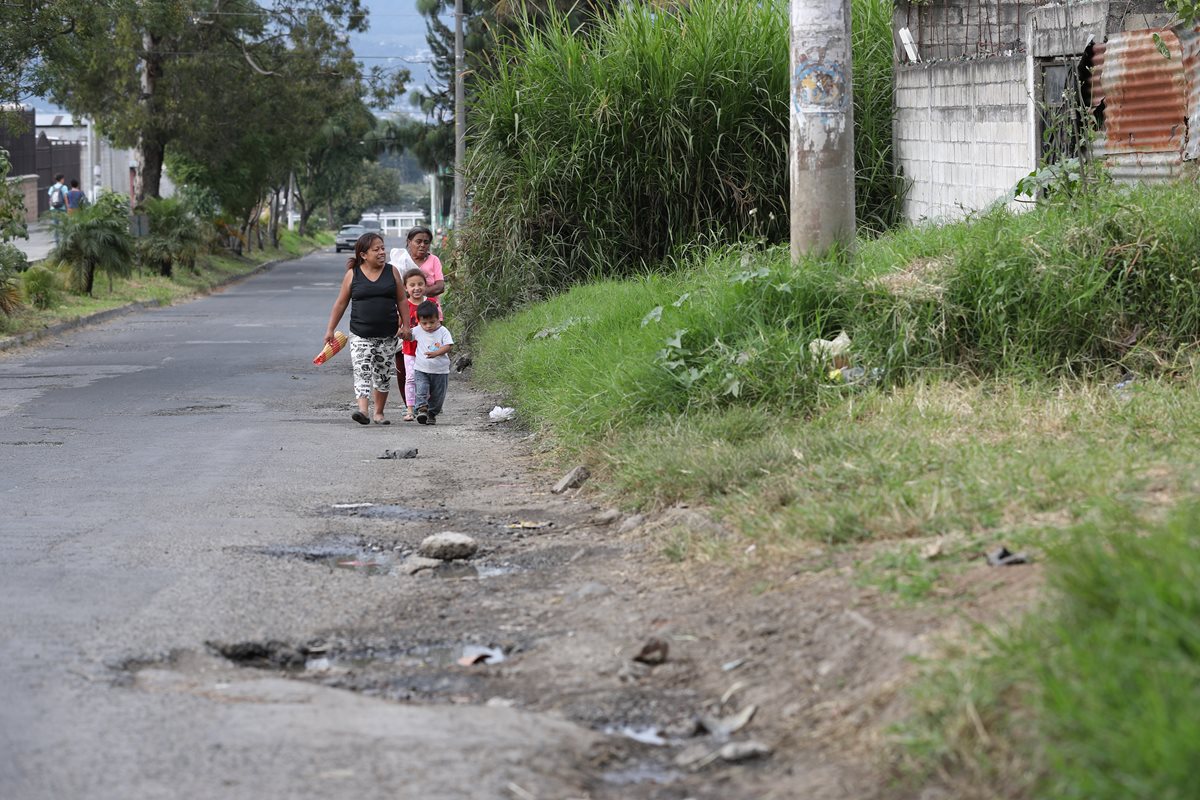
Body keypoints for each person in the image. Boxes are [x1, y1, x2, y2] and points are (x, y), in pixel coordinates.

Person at [323, 232, 409, 425]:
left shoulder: (392, 271)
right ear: (363, 254)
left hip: (388, 334)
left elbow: (402, 299)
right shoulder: (353, 274)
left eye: (382, 248)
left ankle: (379, 413)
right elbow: (340, 304)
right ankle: (363, 410)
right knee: (362, 371)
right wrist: (330, 329)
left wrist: (406, 325)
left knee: (383, 373)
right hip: (360, 334)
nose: (381, 252)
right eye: (376, 249)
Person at [411, 300, 454, 425]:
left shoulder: (443, 331)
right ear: (419, 321)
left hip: (440, 370)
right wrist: (401, 332)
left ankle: (431, 413)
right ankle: (422, 409)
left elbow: (448, 345)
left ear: (438, 319)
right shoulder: (418, 330)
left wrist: (436, 353)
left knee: (438, 396)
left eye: (432, 322)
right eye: (424, 323)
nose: (428, 326)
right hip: (421, 368)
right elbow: (408, 335)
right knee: (421, 389)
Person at [398, 268, 428, 422]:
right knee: (410, 378)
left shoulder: (431, 304)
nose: (416, 288)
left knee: (427, 378)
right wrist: (401, 332)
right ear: (405, 288)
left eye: (420, 284)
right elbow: (398, 327)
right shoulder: (403, 306)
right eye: (412, 285)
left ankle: (425, 406)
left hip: (428, 350)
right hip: (409, 350)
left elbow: (439, 325)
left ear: (425, 285)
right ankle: (410, 409)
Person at [47, 174, 66, 244]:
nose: (64, 180)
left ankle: (57, 242)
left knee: (55, 226)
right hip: (62, 208)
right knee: (64, 225)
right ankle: (64, 241)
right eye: (63, 179)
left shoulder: (52, 188)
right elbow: (65, 198)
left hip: (53, 209)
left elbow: (50, 199)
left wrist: (50, 208)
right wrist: (68, 207)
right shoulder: (64, 187)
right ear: (61, 179)